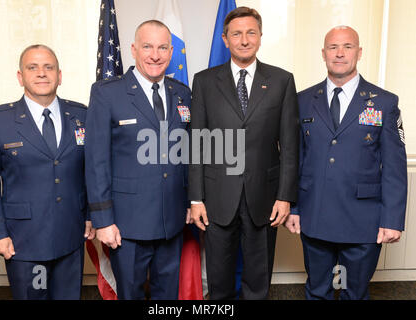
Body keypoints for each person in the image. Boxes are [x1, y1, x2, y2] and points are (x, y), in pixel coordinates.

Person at [285, 26, 407, 300]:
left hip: (363, 221)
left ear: (359, 52)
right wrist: (293, 207)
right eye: (333, 47)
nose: (340, 53)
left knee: (354, 292)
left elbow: (394, 166)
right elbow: (295, 159)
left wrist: (392, 220)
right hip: (315, 216)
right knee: (318, 291)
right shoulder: (303, 100)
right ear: (323, 53)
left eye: (348, 46)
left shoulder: (384, 103)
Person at [189, 7, 299, 300]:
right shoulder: (204, 81)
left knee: (258, 280)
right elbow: (197, 143)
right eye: (236, 34)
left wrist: (285, 196)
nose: (244, 40)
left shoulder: (282, 80)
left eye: (251, 32)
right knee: (219, 280)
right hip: (216, 198)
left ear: (260, 37)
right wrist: (196, 198)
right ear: (225, 39)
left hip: (264, 197)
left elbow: (290, 145)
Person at [0, 44, 94, 300]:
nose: (42, 73)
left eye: (49, 67)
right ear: (20, 77)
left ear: (59, 75)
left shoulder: (81, 115)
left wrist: (92, 215)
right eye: (33, 67)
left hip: (70, 235)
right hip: (23, 241)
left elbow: (91, 171)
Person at [85, 20, 191, 300]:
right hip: (126, 224)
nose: (155, 55)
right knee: (129, 294)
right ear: (133, 49)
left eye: (162, 48)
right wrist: (103, 220)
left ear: (171, 52)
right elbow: (96, 161)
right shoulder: (107, 93)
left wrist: (193, 199)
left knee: (167, 296)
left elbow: (188, 153)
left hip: (172, 219)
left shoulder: (182, 93)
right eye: (147, 47)